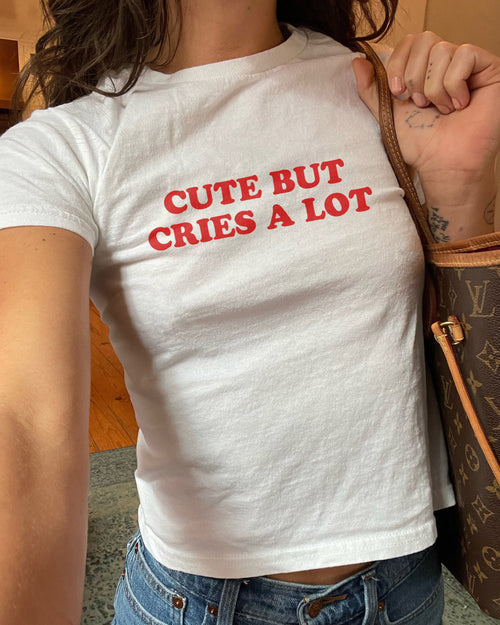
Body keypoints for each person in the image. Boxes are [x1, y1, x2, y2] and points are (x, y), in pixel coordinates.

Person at [0, 0, 499, 623]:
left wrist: (461, 189)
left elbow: (462, 350)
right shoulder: (61, 146)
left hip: (404, 585)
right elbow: (26, 421)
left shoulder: (391, 88)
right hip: (203, 601)